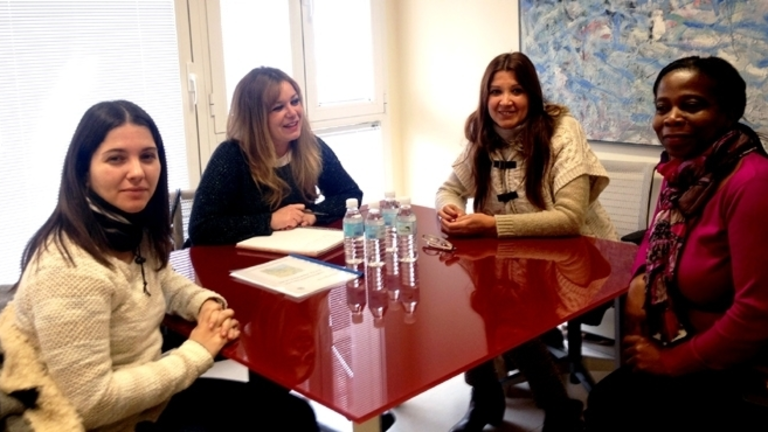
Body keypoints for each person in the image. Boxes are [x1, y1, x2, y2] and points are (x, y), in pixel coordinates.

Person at [0, 100, 319, 431]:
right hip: (108, 421)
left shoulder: (126, 230)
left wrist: (203, 303)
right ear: (83, 172)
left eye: (147, 156)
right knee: (288, 420)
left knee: (291, 414)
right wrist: (197, 351)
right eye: (116, 158)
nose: (137, 172)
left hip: (147, 396)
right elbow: (91, 405)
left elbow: (162, 279)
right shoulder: (69, 269)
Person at [436, 52, 617, 432]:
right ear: (485, 97)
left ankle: (544, 406)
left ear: (532, 95)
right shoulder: (483, 133)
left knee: (505, 310)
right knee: (470, 302)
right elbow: (449, 188)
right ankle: (491, 395)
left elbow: (570, 218)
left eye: (516, 91)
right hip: (517, 260)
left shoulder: (562, 131)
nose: (505, 101)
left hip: (581, 258)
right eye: (496, 92)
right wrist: (449, 209)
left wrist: (493, 224)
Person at [584, 57, 768, 431]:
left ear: (729, 112)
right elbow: (656, 234)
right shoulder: (686, 170)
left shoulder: (752, 183)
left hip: (731, 363)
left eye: (691, 105)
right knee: (605, 404)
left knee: (609, 408)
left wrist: (671, 363)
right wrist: (640, 278)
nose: (671, 118)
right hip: (677, 338)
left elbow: (757, 313)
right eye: (662, 107)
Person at [188, 67, 363, 245]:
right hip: (235, 257)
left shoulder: (310, 146)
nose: (292, 113)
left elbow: (350, 194)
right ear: (255, 118)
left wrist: (313, 215)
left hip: (293, 250)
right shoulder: (231, 155)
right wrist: (269, 221)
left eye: (295, 101)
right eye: (278, 107)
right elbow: (201, 228)